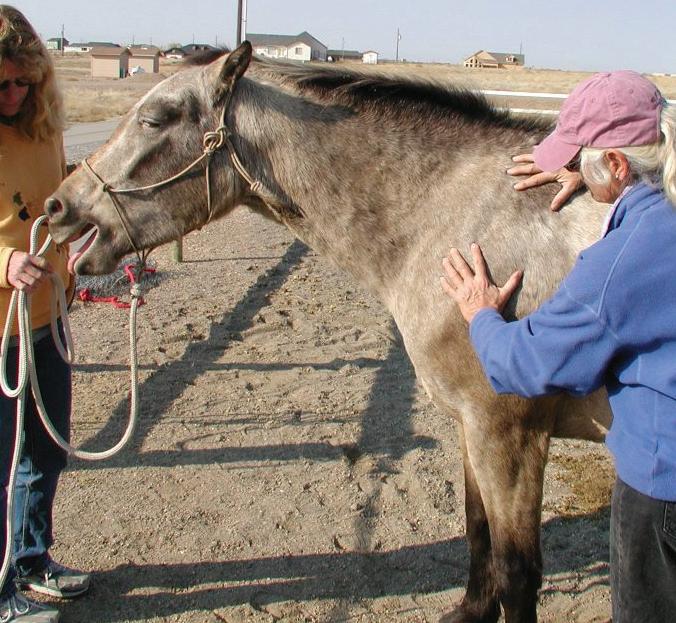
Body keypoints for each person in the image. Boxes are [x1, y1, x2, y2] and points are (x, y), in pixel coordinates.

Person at [440, 70, 676, 623]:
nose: (568, 169)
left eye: (580, 158)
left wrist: (480, 313)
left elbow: (523, 365)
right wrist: (601, 185)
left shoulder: (622, 261)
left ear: (616, 163)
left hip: (662, 489)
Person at [0, 6, 90, 622]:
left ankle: (31, 561)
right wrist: (4, 260)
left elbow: (56, 202)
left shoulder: (42, 128)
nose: (12, 94)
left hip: (45, 318)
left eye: (22, 82)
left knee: (44, 449)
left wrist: (78, 247)